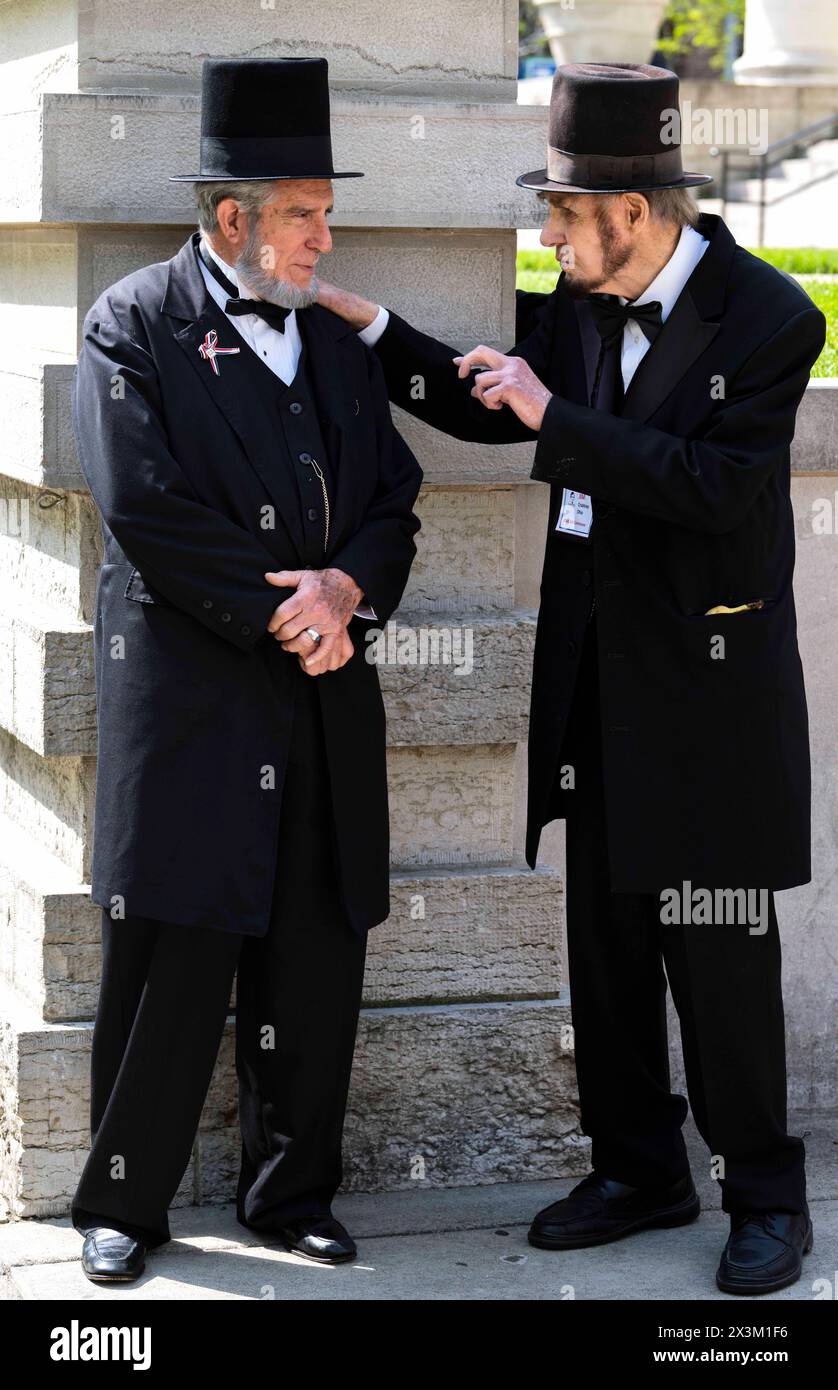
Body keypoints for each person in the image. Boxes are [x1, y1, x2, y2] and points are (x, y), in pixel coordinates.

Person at [316, 62, 826, 1295]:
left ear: (633, 214)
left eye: (559, 214)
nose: (544, 236)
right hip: (595, 688)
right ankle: (636, 1165)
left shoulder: (769, 321)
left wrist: (560, 416)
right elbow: (506, 406)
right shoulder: (584, 298)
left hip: (709, 704)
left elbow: (713, 493)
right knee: (603, 948)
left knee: (716, 957)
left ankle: (761, 1191)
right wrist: (382, 338)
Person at [70, 56, 422, 1283]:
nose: (326, 237)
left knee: (314, 952)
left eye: (326, 212)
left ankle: (292, 1195)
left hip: (327, 684)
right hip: (196, 690)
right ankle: (124, 1202)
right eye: (304, 213)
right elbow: (144, 511)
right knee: (170, 953)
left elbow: (394, 496)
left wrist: (349, 590)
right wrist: (286, 613)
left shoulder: (331, 341)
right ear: (234, 218)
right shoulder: (132, 323)